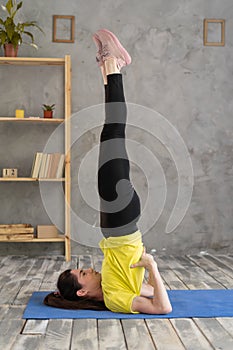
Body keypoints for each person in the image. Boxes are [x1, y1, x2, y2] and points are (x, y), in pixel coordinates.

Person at [44, 29, 172, 314]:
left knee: (111, 133)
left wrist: (146, 277)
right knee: (113, 132)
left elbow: (148, 290)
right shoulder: (115, 298)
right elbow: (163, 308)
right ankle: (113, 65)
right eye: (85, 274)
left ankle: (108, 67)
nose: (89, 269)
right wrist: (151, 265)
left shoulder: (115, 287)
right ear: (83, 291)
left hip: (116, 221)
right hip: (121, 221)